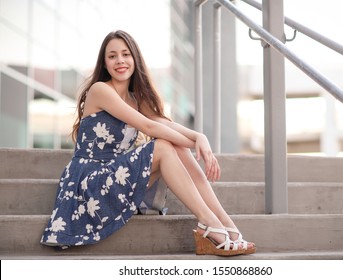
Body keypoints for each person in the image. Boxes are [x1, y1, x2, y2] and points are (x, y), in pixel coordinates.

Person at [40, 30, 255, 256]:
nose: (120, 61)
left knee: (175, 145)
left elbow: (166, 125)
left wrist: (200, 138)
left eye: (125, 54)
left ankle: (226, 223)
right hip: (90, 184)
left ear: (135, 59)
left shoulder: (135, 100)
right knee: (162, 145)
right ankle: (208, 222)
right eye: (112, 56)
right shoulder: (100, 90)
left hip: (116, 179)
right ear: (104, 63)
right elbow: (150, 128)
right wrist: (195, 144)